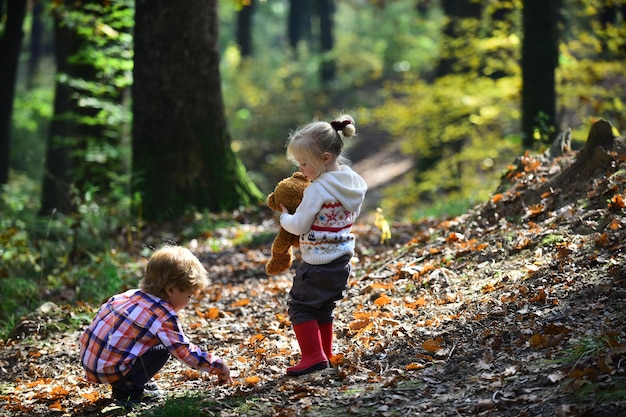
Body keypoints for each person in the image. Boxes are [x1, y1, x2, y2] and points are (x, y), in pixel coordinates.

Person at [79, 245, 232, 406]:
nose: (189, 301)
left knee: (152, 340)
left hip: (91, 364)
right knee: (165, 348)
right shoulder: (163, 314)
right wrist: (217, 365)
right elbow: (184, 351)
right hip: (110, 370)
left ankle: (131, 381)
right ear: (171, 290)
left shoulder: (129, 295)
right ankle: (127, 390)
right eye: (189, 296)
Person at [278, 114, 367, 376]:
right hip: (341, 260)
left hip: (317, 262)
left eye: (304, 163)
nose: (301, 170)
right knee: (324, 306)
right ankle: (325, 354)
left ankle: (314, 357)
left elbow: (300, 225)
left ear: (325, 158)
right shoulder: (352, 182)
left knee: (301, 307)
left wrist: (285, 217)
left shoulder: (317, 189)